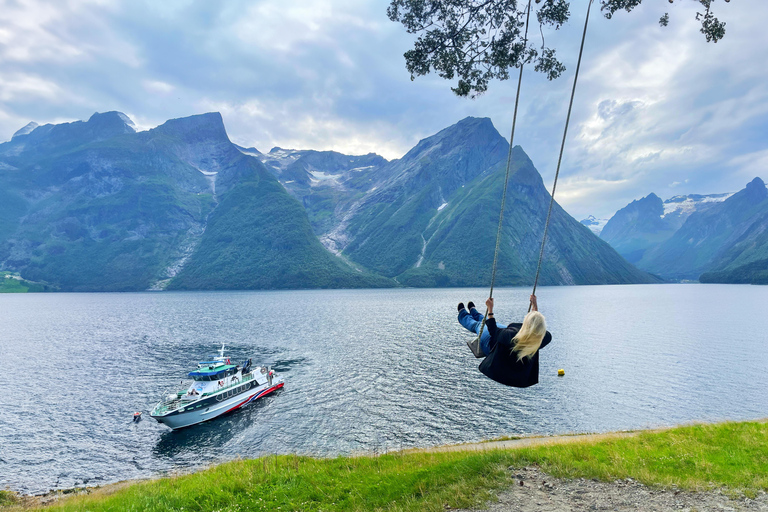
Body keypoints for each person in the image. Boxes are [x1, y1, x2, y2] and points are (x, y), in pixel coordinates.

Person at [457, 295, 552, 387]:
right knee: (487, 320)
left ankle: (462, 314)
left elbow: (493, 330)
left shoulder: (511, 336)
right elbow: (536, 326)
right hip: (505, 342)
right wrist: (534, 305)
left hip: (491, 344)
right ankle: (474, 311)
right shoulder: (543, 338)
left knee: (478, 325)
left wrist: (490, 308)